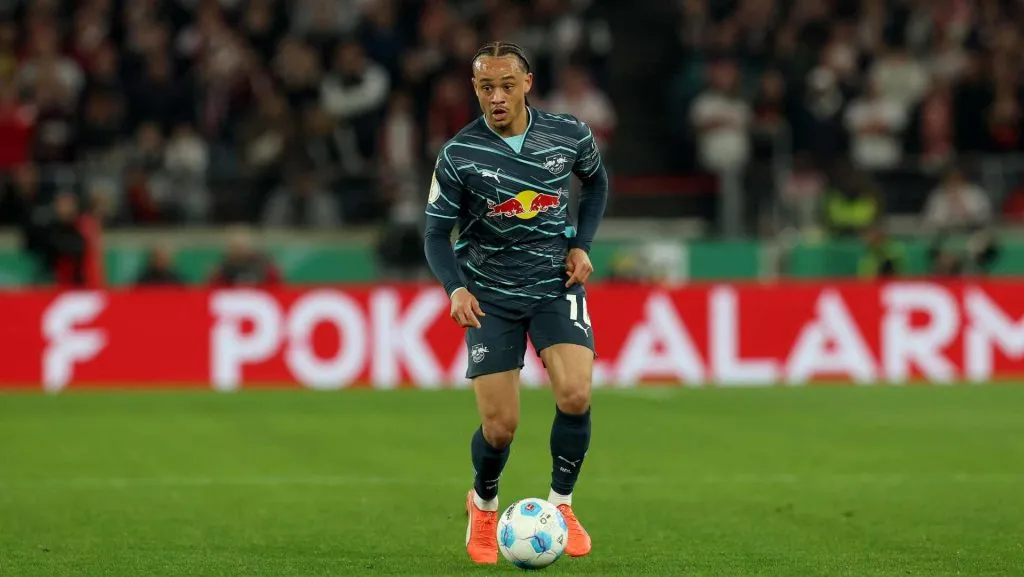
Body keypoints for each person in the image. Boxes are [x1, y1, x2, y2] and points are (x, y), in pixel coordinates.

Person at [422, 42, 609, 564]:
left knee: (574, 394)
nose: (497, 97)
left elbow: (595, 184)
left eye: (506, 85)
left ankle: (562, 505)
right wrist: (455, 288)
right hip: (490, 297)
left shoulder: (568, 134)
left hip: (556, 284)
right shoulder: (460, 154)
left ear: (527, 83)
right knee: (500, 427)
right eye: (486, 87)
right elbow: (436, 235)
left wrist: (582, 245)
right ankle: (483, 504)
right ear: (475, 90)